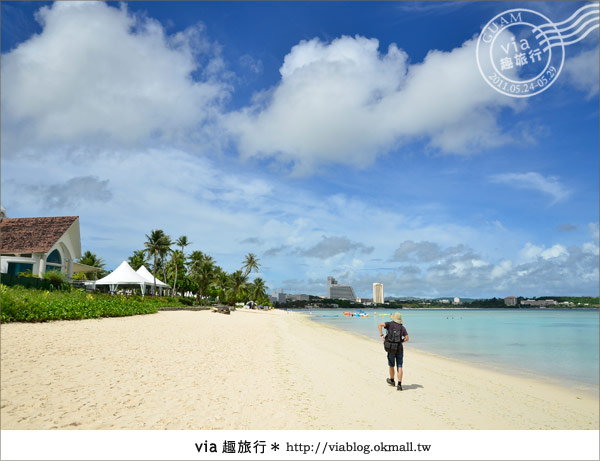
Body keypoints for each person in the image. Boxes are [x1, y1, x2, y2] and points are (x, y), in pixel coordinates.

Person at [378, 312, 409, 391]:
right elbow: (407, 338)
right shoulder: (402, 328)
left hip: (391, 348)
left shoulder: (389, 324)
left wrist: (382, 335)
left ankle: (392, 380)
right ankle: (399, 385)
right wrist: (401, 341)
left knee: (391, 365)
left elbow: (379, 325)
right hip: (399, 348)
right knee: (400, 366)